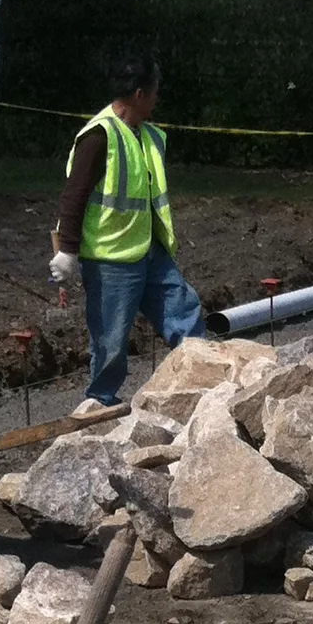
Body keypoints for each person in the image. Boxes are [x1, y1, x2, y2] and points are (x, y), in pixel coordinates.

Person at [50, 54, 204, 409]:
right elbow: (74, 195)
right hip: (111, 260)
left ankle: (204, 383)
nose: (157, 99)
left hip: (149, 250)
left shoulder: (147, 136)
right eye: (155, 91)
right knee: (110, 344)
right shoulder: (99, 136)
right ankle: (100, 407)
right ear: (139, 94)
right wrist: (68, 250)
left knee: (185, 312)